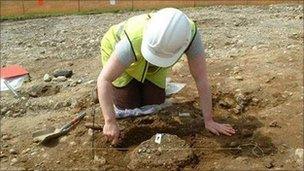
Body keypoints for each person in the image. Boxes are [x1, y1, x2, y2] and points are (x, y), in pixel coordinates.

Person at [97, 8, 236, 145]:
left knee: (154, 100)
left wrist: (209, 120)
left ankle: (143, 84)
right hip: (123, 56)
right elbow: (104, 79)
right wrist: (109, 121)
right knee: (128, 102)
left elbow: (201, 78)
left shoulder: (190, 35)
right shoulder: (133, 39)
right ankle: (115, 88)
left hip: (154, 67)